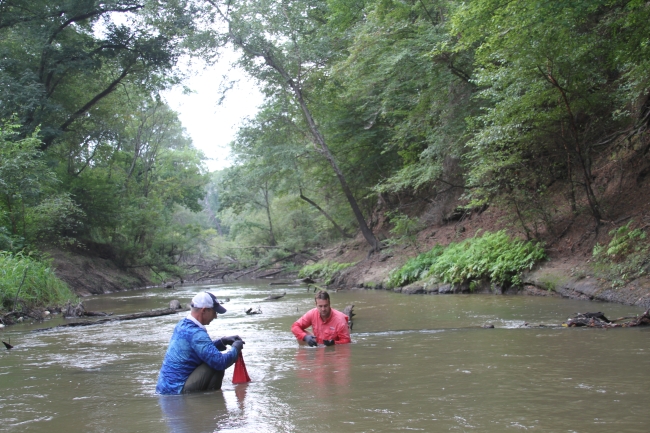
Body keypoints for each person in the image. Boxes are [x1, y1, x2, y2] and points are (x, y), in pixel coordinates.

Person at [156, 291, 244, 394]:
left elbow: (199, 349)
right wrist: (236, 349)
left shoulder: (182, 324)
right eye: (214, 312)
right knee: (215, 365)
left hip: (165, 389)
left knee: (212, 357)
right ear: (204, 310)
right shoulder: (197, 333)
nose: (216, 316)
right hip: (177, 391)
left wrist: (222, 342)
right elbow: (219, 362)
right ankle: (210, 399)